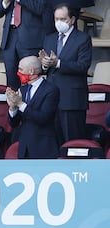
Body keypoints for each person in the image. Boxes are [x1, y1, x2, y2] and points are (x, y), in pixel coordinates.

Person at [39, 3, 92, 144]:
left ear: (73, 20)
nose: (59, 23)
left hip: (72, 101)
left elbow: (83, 66)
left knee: (73, 143)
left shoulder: (83, 39)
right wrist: (44, 65)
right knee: (54, 142)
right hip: (51, 99)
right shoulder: (49, 38)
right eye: (56, 19)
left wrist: (58, 63)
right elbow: (46, 67)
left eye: (63, 19)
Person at [6, 56, 60, 159]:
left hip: (43, 147)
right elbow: (14, 123)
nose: (18, 72)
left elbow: (43, 118)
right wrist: (13, 108)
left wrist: (21, 104)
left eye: (21, 69)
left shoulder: (51, 90)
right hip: (24, 147)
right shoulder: (23, 89)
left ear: (31, 71)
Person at [0, 0, 46, 90]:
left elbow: (41, 8)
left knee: (29, 76)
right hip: (10, 36)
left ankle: (31, 103)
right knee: (11, 77)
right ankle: (14, 103)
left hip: (30, 38)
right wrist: (5, 2)